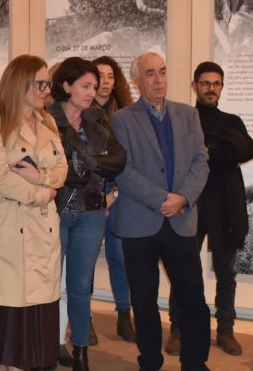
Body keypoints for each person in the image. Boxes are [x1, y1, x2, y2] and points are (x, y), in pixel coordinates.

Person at [109, 52, 211, 371]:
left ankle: (195, 363)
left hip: (180, 219)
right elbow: (123, 170)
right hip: (140, 221)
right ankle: (149, 361)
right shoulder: (122, 119)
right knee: (144, 299)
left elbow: (200, 161)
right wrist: (161, 198)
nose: (158, 80)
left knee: (193, 298)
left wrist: (182, 197)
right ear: (137, 80)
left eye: (163, 72)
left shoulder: (188, 115)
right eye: (150, 74)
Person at [0, 54, 67, 371]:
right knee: (9, 340)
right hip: (8, 236)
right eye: (40, 83)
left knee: (34, 338)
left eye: (48, 83)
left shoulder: (48, 121)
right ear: (19, 82)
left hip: (43, 236)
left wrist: (39, 178)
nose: (46, 90)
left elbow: (62, 170)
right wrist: (44, 194)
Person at [165, 61, 253, 356]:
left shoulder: (232, 120)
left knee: (227, 273)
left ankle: (226, 330)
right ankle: (178, 329)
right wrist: (222, 149)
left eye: (216, 83)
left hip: (226, 206)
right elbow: (187, 152)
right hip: (191, 203)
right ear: (195, 86)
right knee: (184, 271)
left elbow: (247, 150)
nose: (211, 89)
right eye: (205, 83)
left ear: (222, 87)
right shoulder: (182, 119)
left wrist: (208, 146)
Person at [48, 57, 127, 371]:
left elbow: (119, 161)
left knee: (80, 287)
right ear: (66, 86)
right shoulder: (47, 119)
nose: (92, 92)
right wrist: (95, 162)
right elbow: (61, 171)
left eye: (95, 86)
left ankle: (80, 351)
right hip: (56, 211)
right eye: (85, 86)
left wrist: (90, 162)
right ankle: (47, 346)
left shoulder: (97, 119)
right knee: (50, 284)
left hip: (92, 212)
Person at [90, 55, 137, 343]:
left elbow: (132, 161)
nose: (106, 82)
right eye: (100, 76)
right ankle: (85, 317)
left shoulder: (128, 114)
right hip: (89, 195)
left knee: (119, 256)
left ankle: (123, 314)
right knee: (86, 259)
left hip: (119, 194)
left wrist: (114, 193)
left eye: (110, 76)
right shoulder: (80, 113)